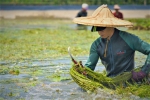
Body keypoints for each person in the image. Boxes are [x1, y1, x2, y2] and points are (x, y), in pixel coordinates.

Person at [73, 5, 150, 82]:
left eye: (101, 28)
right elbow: (89, 68)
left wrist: (143, 72)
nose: (99, 32)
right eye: (96, 28)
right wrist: (81, 70)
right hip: (111, 83)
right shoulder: (96, 45)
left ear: (111, 25)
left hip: (130, 82)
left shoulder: (129, 39)